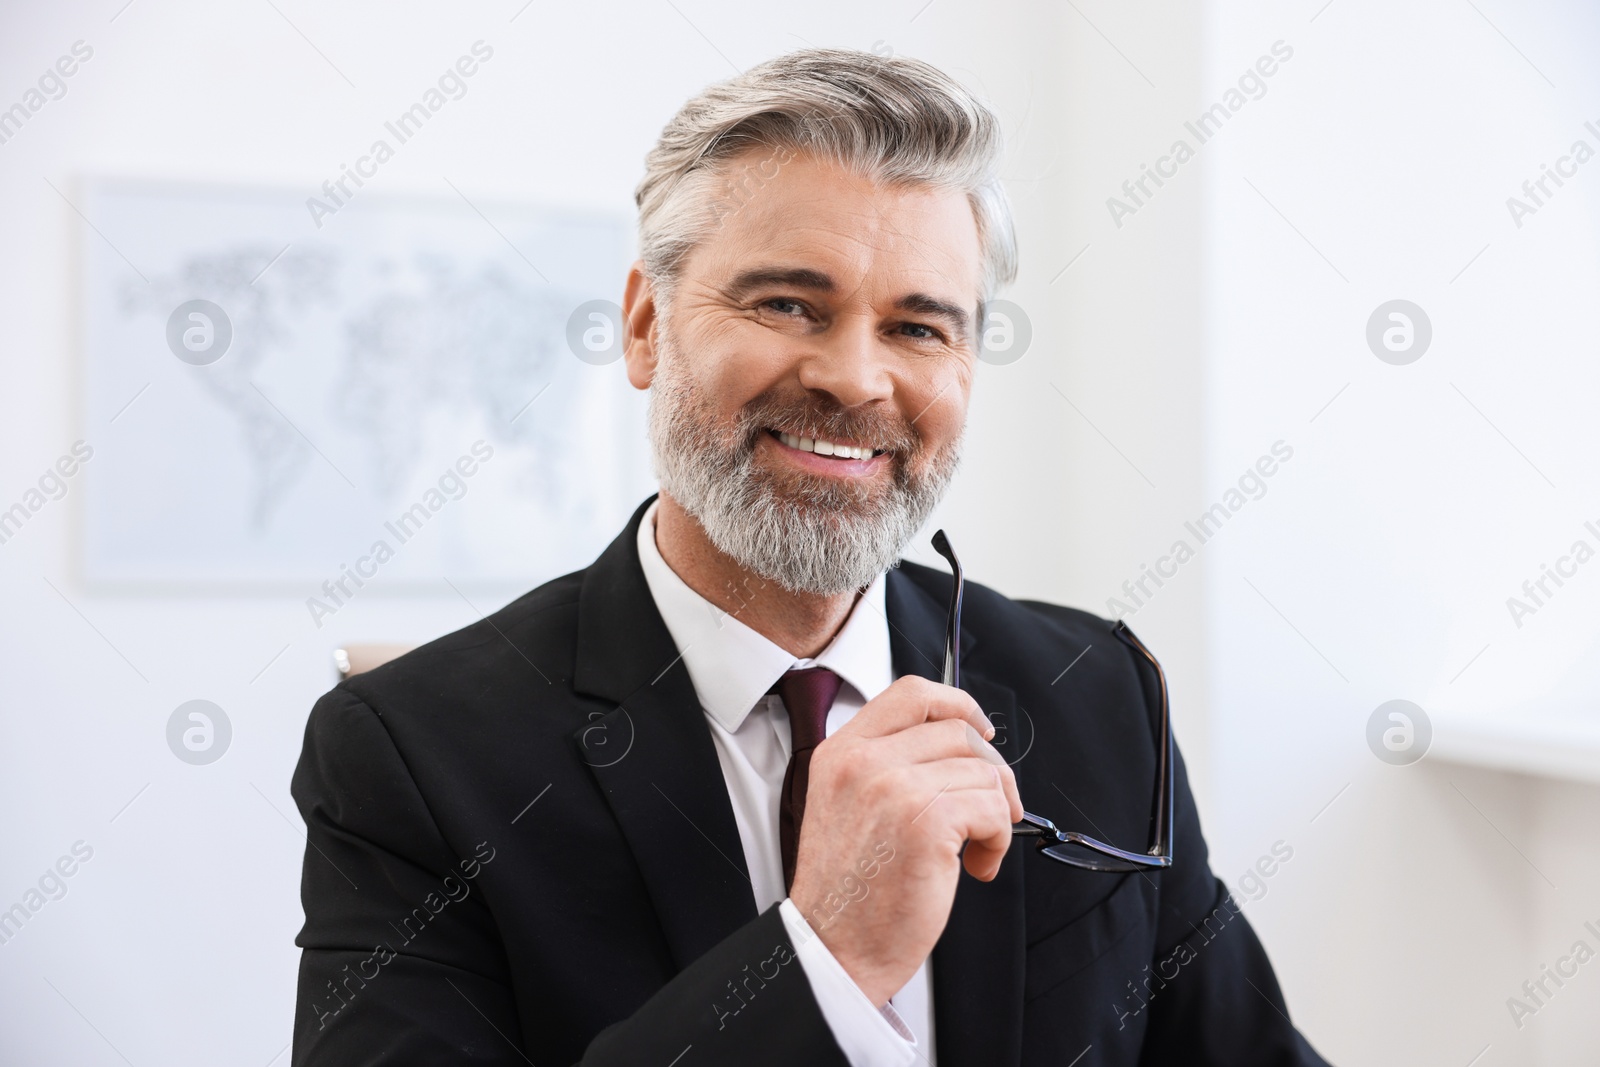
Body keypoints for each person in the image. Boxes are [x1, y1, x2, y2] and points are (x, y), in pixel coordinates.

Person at [290, 48, 1331, 1066]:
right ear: (648, 326)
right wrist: (822, 955)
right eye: (788, 304)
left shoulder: (1096, 692)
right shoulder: (410, 755)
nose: (854, 379)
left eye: (920, 327)